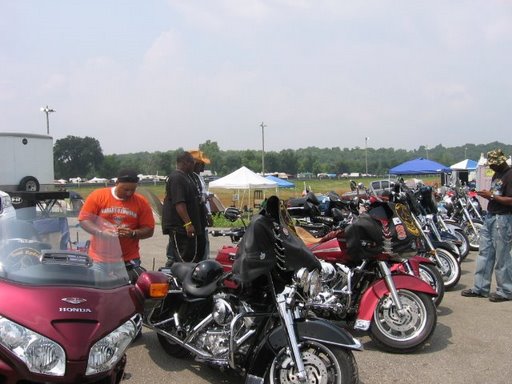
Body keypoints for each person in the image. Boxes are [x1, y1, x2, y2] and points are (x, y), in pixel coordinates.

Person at [78, 169, 155, 271]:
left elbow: (149, 230)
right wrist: (101, 232)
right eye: (125, 189)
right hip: (99, 259)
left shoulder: (141, 202)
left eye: (133, 190)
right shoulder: (98, 196)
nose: (129, 193)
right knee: (98, 286)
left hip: (128, 259)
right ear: (117, 183)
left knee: (129, 286)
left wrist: (133, 233)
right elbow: (84, 220)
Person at [461, 149, 512, 302]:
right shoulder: (498, 174)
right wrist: (489, 195)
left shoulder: (510, 175)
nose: (491, 167)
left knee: (502, 256)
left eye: (493, 164)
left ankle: (506, 290)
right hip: (491, 216)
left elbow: (510, 200)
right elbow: (496, 195)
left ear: (501, 161)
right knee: (485, 253)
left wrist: (491, 196)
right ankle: (480, 288)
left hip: (503, 218)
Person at [162, 151, 205, 266]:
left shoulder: (187, 177)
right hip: (181, 228)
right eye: (193, 163)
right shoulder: (177, 178)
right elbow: (179, 203)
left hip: (191, 227)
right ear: (186, 163)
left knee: (194, 258)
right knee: (185, 261)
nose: (194, 166)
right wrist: (188, 224)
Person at [188, 149, 214, 260]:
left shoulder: (199, 177)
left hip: (203, 220)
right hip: (198, 220)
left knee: (205, 248)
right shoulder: (191, 178)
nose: (203, 167)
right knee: (201, 250)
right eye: (201, 164)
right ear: (195, 164)